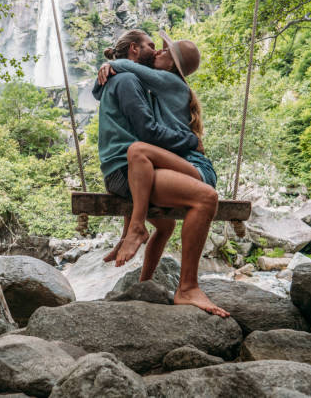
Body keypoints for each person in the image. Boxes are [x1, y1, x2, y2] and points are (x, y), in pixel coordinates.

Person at [92, 30, 229, 317]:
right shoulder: (138, 82)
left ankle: (183, 285)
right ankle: (149, 282)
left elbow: (146, 133)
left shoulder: (166, 82)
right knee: (163, 217)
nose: (157, 52)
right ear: (133, 48)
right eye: (154, 47)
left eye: (163, 51)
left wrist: (108, 67)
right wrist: (107, 68)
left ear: (174, 66)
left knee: (140, 152)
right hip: (158, 165)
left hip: (190, 165)